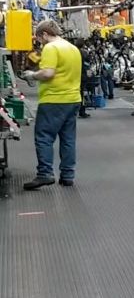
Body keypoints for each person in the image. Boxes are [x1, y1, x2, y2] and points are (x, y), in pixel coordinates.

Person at [21, 20, 83, 190]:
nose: (40, 42)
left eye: (39, 38)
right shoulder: (72, 48)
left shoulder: (51, 48)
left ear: (45, 34)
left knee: (44, 137)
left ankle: (44, 174)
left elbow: (48, 73)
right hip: (73, 99)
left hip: (54, 100)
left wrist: (31, 75)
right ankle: (68, 175)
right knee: (68, 139)